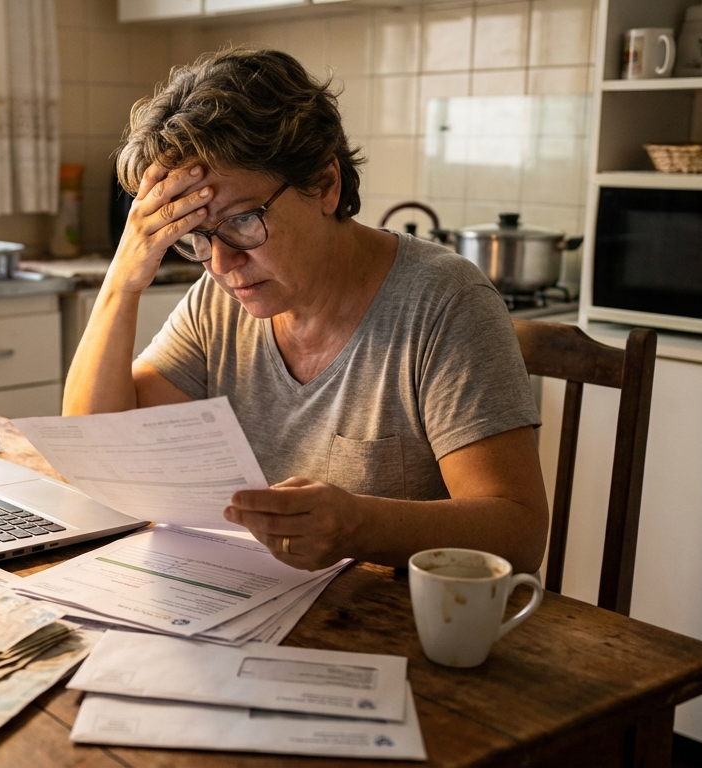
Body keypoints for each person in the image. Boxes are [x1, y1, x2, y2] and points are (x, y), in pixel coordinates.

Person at [63, 48, 548, 574]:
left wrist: (358, 525)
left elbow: (518, 533)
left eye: (243, 220)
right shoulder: (219, 302)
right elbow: (98, 447)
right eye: (195, 235)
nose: (222, 263)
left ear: (324, 184)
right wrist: (122, 282)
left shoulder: (444, 303)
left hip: (395, 614)